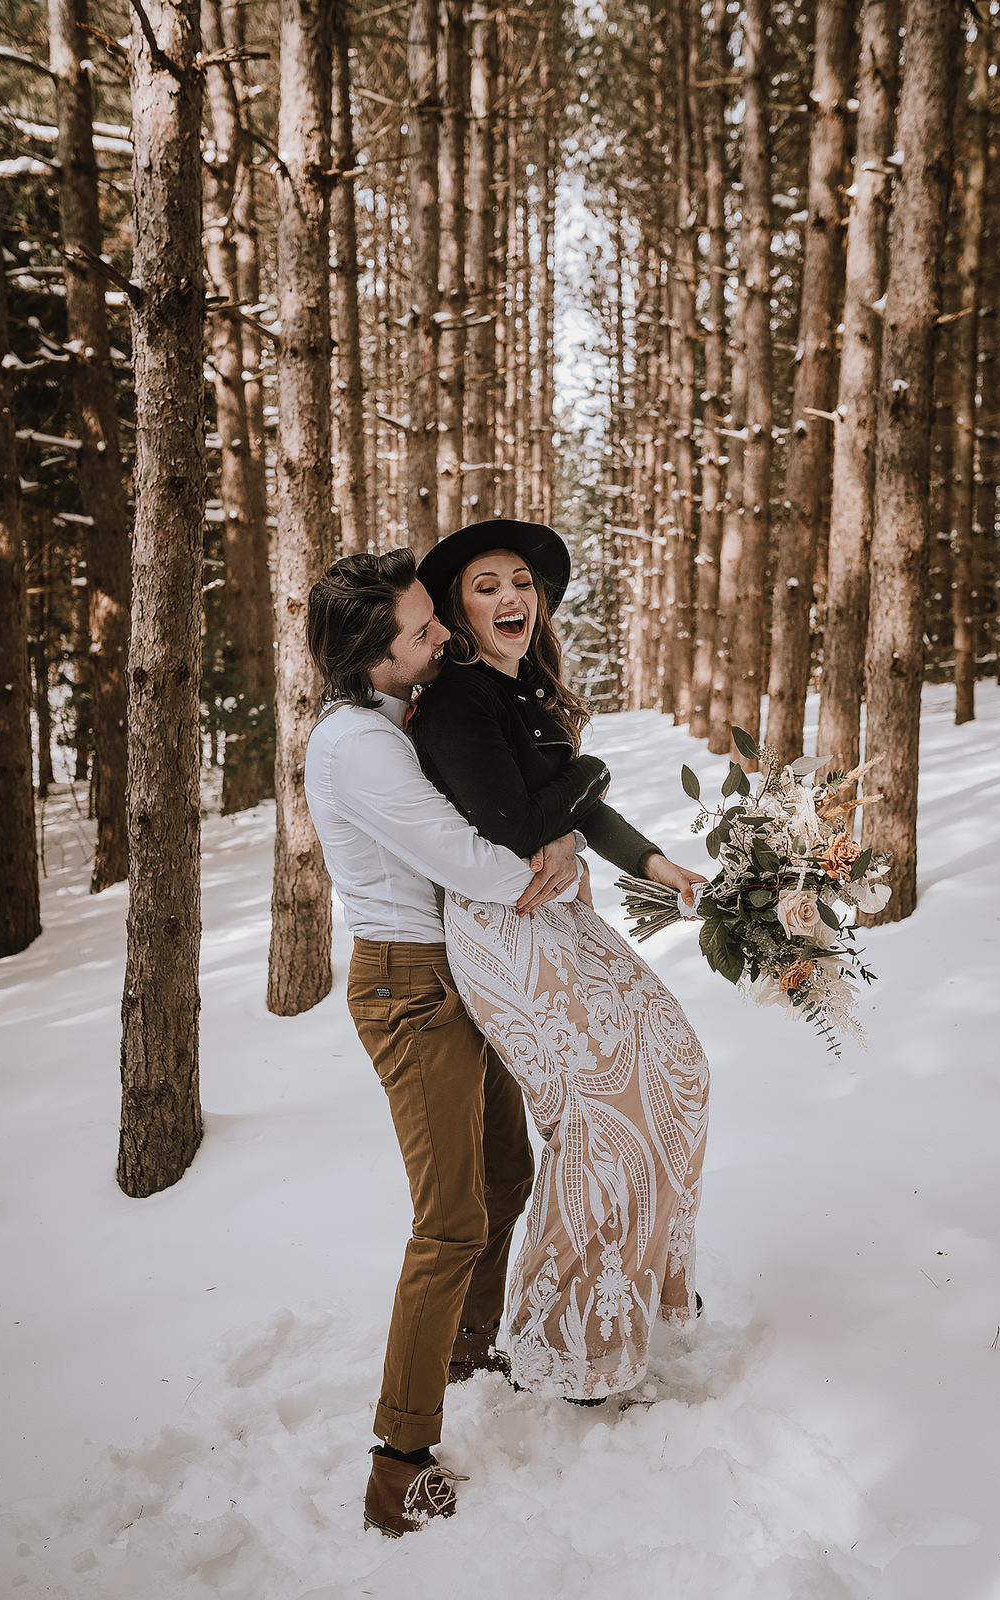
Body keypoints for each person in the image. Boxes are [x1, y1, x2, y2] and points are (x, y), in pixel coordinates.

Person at [303, 548, 594, 1536]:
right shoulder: (359, 745)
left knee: (507, 1173)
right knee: (450, 1223)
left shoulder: (392, 717)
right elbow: (467, 858)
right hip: (409, 989)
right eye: (423, 631)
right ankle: (399, 1462)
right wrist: (541, 855)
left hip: (457, 978)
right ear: (373, 659)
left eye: (436, 616)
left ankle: (466, 1350)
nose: (442, 638)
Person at [410, 519, 710, 1404]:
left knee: (678, 1072)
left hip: (555, 907)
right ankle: (566, 1342)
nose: (512, 598)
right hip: (504, 925)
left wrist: (661, 868)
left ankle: (633, 1288)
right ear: (460, 614)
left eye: (523, 584)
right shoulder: (461, 699)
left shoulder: (524, 690)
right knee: (599, 1117)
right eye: (487, 585)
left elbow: (569, 808)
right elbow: (514, 820)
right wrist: (583, 790)